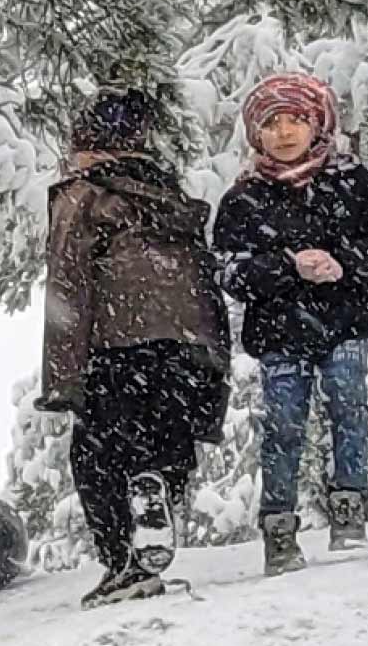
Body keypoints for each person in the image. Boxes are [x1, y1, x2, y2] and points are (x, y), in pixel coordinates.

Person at [41, 89, 230, 606]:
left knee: (97, 453)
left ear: (91, 146)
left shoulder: (84, 195)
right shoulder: (167, 196)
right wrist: (213, 368)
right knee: (165, 441)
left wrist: (63, 380)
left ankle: (122, 559)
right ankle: (157, 491)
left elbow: (68, 284)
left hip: (120, 342)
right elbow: (203, 281)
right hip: (186, 343)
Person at [212, 72, 368, 575]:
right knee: (284, 426)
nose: (286, 132)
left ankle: (350, 509)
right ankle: (279, 526)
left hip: (345, 322)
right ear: (256, 133)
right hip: (278, 333)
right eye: (272, 123)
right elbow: (230, 271)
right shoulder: (244, 198)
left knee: (348, 406)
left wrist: (344, 263)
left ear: (318, 123)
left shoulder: (352, 182)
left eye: (297, 119)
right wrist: (286, 267)